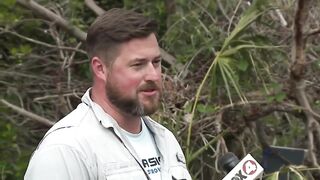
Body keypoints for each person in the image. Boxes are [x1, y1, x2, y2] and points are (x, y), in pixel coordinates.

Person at [24, 8, 192, 180]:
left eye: (156, 62)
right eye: (138, 65)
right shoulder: (66, 149)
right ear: (100, 69)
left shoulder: (166, 140)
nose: (154, 75)